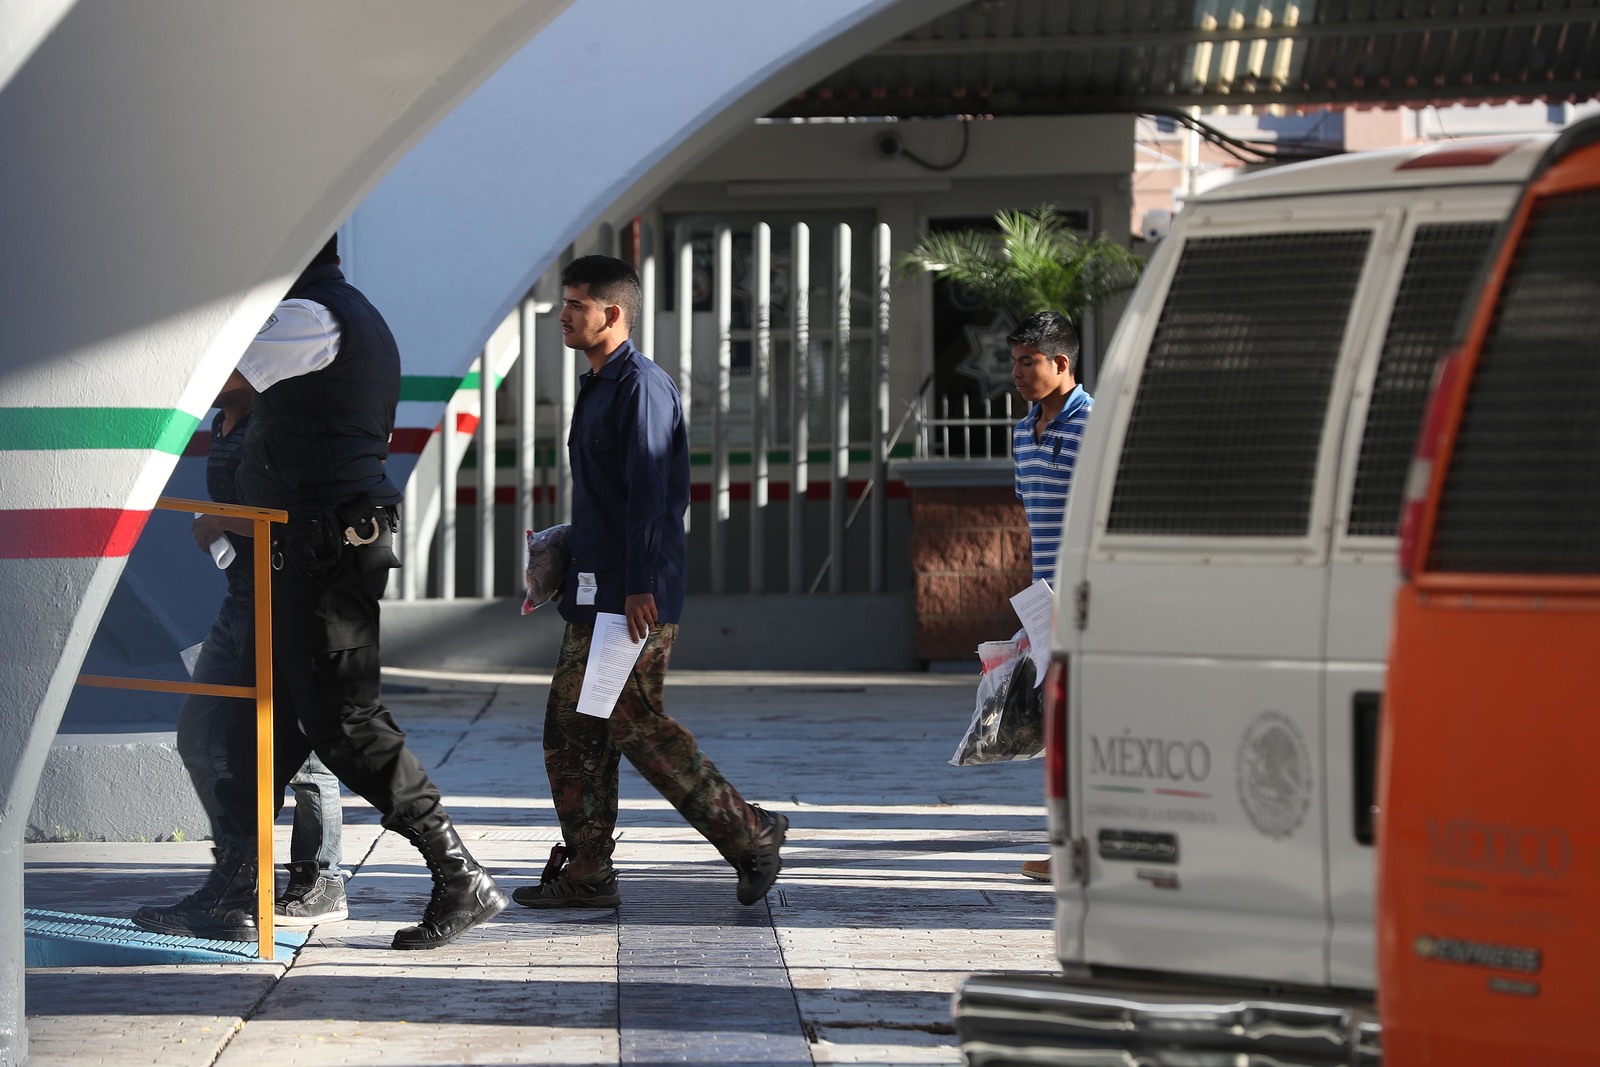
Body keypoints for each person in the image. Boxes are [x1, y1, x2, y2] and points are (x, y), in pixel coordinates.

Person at [134, 236, 507, 949]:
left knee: (345, 721)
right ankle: (236, 889)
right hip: (303, 550)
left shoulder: (311, 314)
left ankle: (459, 874)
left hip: (325, 553)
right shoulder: (334, 311)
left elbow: (210, 379)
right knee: (256, 726)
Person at [513, 255, 786, 910]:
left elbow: (653, 497)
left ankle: (748, 832)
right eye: (564, 302)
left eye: (576, 304)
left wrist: (639, 585)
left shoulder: (641, 387)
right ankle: (588, 870)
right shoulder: (598, 384)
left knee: (633, 720)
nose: (563, 315)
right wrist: (565, 550)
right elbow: (608, 498)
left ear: (612, 313)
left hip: (632, 596)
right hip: (595, 589)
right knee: (572, 728)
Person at [168, 370, 350, 930]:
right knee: (200, 735)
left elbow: (298, 519)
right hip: (241, 602)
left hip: (288, 602)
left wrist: (221, 520)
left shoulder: (277, 426)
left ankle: (320, 878)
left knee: (302, 751)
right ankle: (240, 869)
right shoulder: (222, 424)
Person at [1008, 310, 1093, 883]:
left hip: (1091, 604)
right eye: (1013, 362)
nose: (1016, 373)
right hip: (1047, 606)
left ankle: (1081, 849)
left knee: (1083, 727)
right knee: (1058, 729)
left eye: (1027, 362)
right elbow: (1033, 520)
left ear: (1060, 363)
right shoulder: (1023, 433)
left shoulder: (1097, 426)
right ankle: (1067, 846)